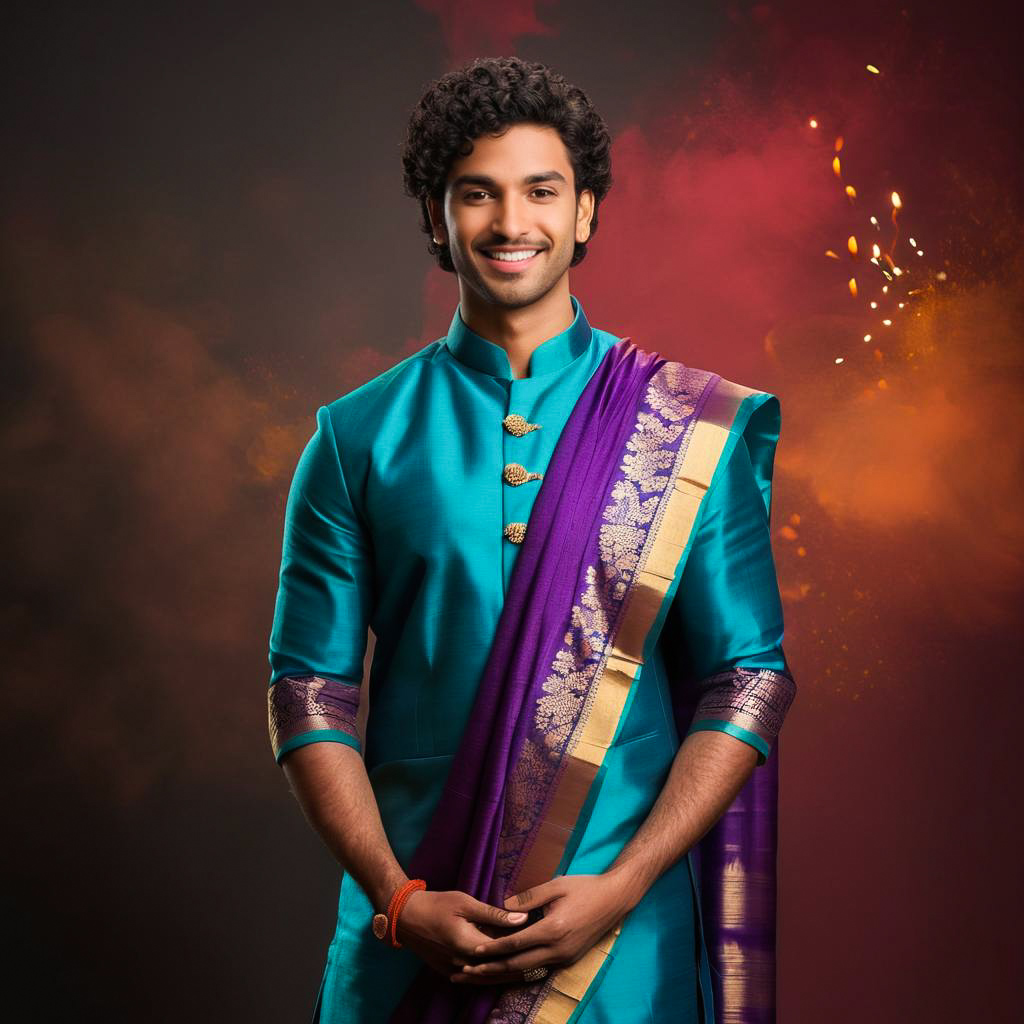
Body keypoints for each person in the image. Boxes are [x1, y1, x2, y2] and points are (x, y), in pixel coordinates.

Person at [267, 56, 797, 1024]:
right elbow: (310, 691)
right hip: (414, 917)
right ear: (436, 216)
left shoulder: (687, 426)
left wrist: (627, 882)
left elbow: (747, 677)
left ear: (587, 210)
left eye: (542, 191)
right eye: (478, 194)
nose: (512, 224)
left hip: (617, 940)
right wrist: (394, 896)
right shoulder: (355, 437)